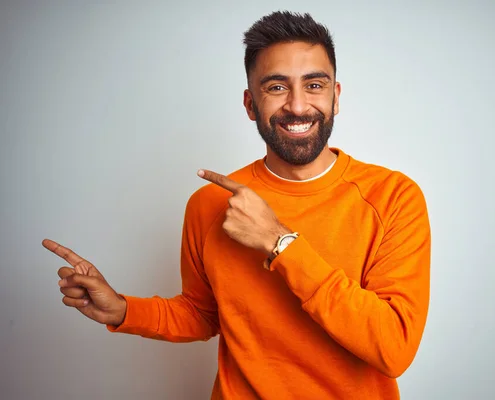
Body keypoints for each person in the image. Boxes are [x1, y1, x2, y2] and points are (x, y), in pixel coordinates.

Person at [43, 11, 431, 400]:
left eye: (314, 84)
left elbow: (393, 348)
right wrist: (124, 310)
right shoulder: (210, 204)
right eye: (276, 87)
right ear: (250, 104)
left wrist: (281, 243)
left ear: (336, 96)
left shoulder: (393, 197)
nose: (298, 105)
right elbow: (204, 313)